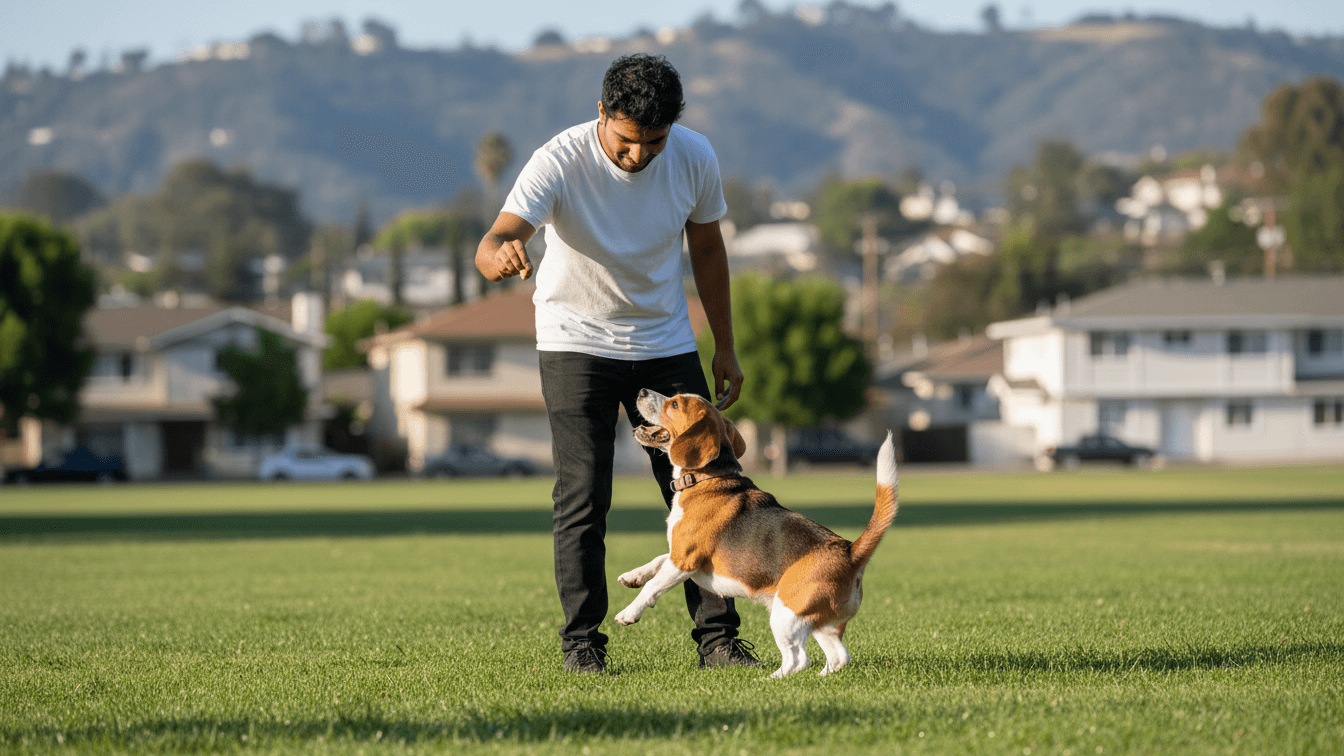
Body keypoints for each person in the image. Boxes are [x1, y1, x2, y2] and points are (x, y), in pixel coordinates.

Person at [475, 53, 759, 674]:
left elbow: (707, 249)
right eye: (628, 141)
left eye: (654, 142)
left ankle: (718, 642)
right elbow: (493, 240)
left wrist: (725, 347)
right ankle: (583, 645)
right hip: (575, 341)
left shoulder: (693, 156)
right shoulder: (560, 158)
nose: (640, 157)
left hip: (663, 339)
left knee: (709, 487)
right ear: (603, 114)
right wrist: (501, 255)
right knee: (584, 496)